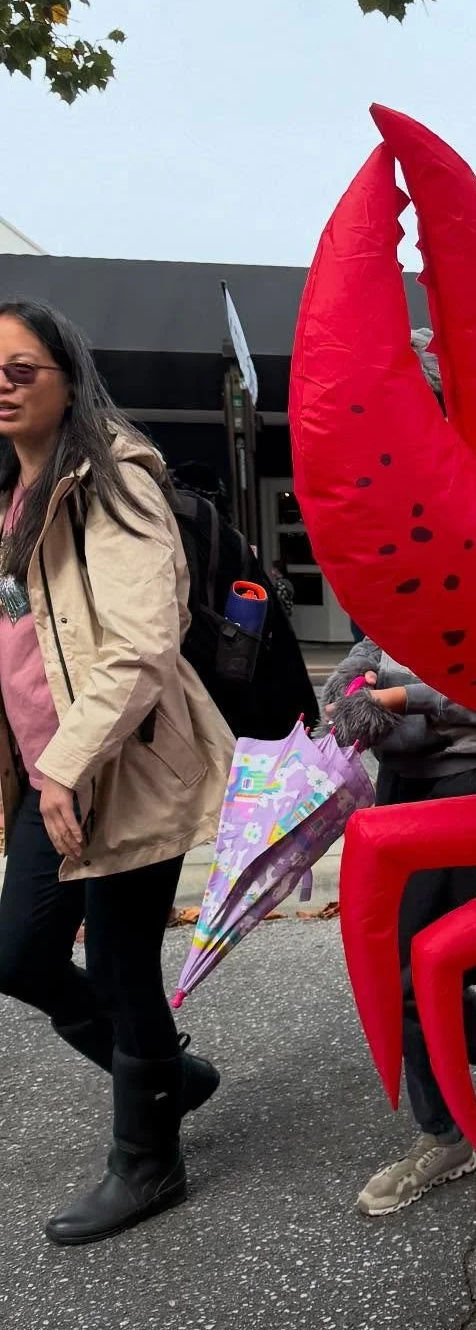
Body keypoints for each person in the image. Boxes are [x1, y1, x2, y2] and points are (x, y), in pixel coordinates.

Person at [0, 302, 233, 1244]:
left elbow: (140, 645)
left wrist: (64, 768)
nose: (4, 384)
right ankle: (173, 1074)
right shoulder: (10, 499)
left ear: (68, 375)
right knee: (16, 956)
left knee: (124, 962)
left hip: (117, 768)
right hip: (44, 773)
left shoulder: (115, 481)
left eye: (21, 367)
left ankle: (147, 1162)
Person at [321, 639, 476, 1212]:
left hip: (468, 786)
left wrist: (392, 698)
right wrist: (349, 687)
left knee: (420, 970)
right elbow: (371, 648)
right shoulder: (391, 576)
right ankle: (450, 1127)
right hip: (398, 788)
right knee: (398, 973)